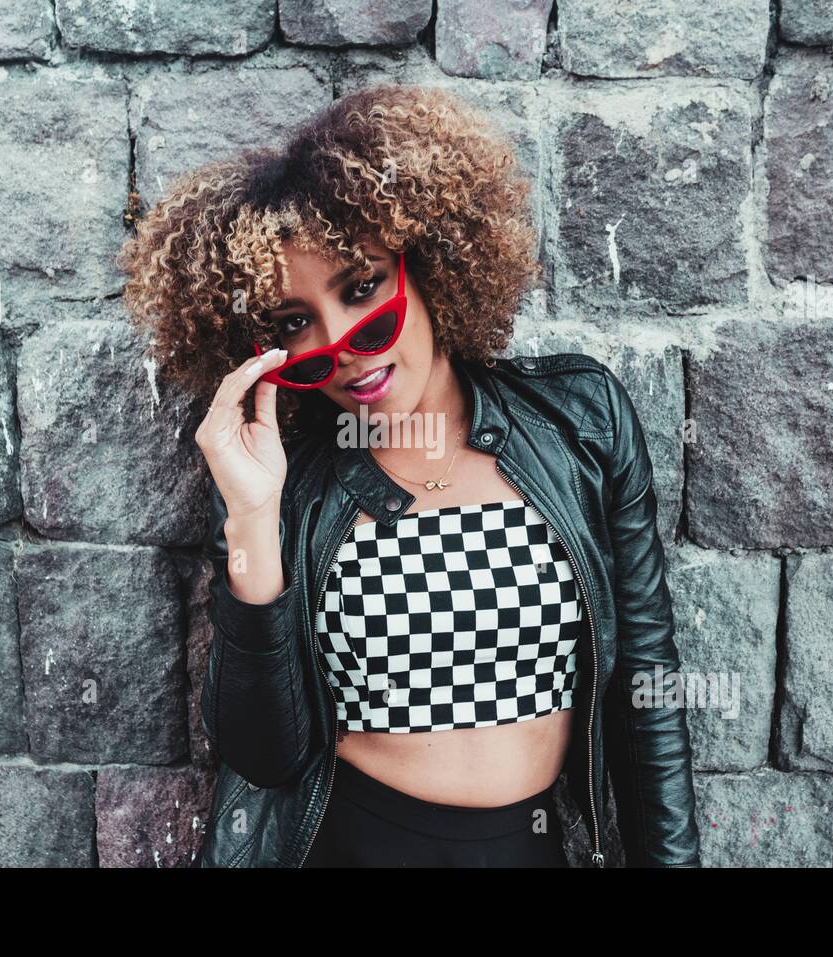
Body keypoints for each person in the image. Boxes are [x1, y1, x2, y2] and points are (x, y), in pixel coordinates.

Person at [119, 83, 702, 868]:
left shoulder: (579, 422)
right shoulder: (289, 480)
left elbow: (646, 694)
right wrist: (252, 519)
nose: (346, 341)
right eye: (297, 323)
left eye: (361, 288)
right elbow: (262, 753)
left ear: (429, 264)